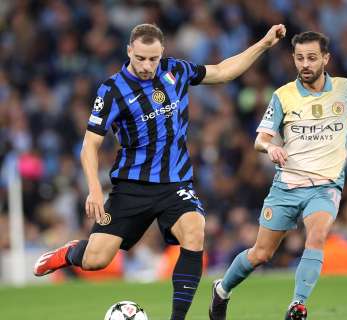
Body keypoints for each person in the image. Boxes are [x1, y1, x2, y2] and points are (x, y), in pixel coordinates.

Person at [33, 23, 286, 320]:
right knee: (96, 260)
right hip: (132, 186)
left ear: (162, 53)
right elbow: (89, 145)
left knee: (194, 230)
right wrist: (94, 189)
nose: (147, 66)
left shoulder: (176, 70)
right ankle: (69, 253)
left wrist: (264, 44)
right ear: (129, 51)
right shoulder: (112, 90)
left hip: (175, 183)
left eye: (153, 59)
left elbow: (221, 71)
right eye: (140, 58)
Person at [208, 31, 347, 320]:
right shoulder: (283, 95)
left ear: (325, 58)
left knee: (317, 236)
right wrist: (270, 148)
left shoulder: (345, 90)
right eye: (299, 58)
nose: (305, 64)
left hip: (325, 185)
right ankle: (221, 290)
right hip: (287, 185)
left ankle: (297, 305)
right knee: (261, 254)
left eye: (311, 57)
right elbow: (260, 139)